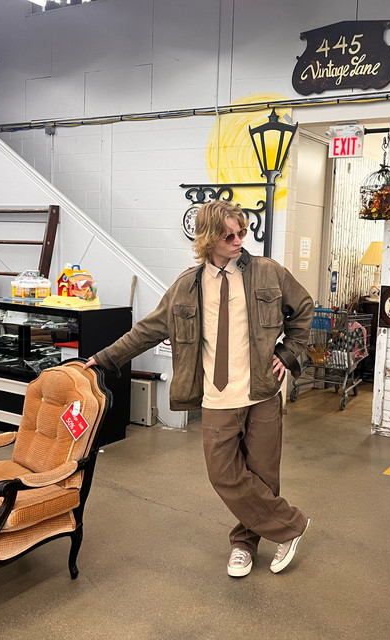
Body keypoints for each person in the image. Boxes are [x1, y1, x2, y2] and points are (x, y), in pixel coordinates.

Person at [84, 200, 314, 577]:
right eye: (229, 236)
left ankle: (244, 544)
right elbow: (147, 330)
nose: (238, 241)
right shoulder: (187, 286)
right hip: (218, 396)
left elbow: (303, 308)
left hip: (262, 393)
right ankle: (292, 526)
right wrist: (104, 358)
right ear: (208, 239)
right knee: (223, 473)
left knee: (262, 476)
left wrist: (287, 354)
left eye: (241, 233)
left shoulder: (269, 272)